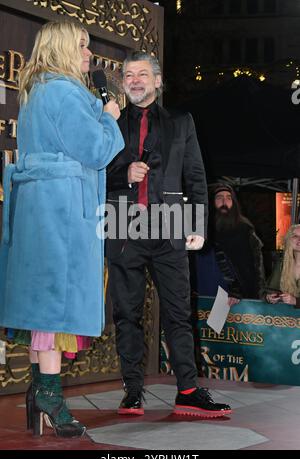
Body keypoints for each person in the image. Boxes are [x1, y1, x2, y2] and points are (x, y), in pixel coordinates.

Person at [0, 20, 124, 437]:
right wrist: (109, 116)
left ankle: (40, 392)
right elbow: (97, 149)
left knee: (43, 303)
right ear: (62, 49)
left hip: (42, 210)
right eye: (83, 46)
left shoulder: (38, 92)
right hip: (63, 213)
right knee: (56, 303)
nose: (90, 55)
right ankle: (50, 395)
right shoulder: (67, 94)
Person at [106, 51, 231, 418]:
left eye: (142, 73)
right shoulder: (109, 123)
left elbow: (195, 175)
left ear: (158, 81)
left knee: (178, 311)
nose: (135, 80)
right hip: (122, 221)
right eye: (129, 74)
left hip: (172, 222)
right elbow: (95, 171)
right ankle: (131, 391)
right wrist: (123, 175)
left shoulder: (182, 121)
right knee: (126, 313)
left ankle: (188, 390)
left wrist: (196, 225)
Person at [194, 183, 265, 304]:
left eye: (228, 197)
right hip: (203, 291)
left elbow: (254, 267)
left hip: (233, 297)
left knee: (226, 322)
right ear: (212, 202)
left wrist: (239, 292)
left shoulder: (244, 229)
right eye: (219, 197)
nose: (224, 201)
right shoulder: (201, 228)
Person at [265, 224, 300, 307]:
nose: (299, 239)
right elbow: (270, 289)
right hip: (285, 316)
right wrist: (270, 297)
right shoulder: (281, 264)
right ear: (289, 240)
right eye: (295, 236)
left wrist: (296, 301)